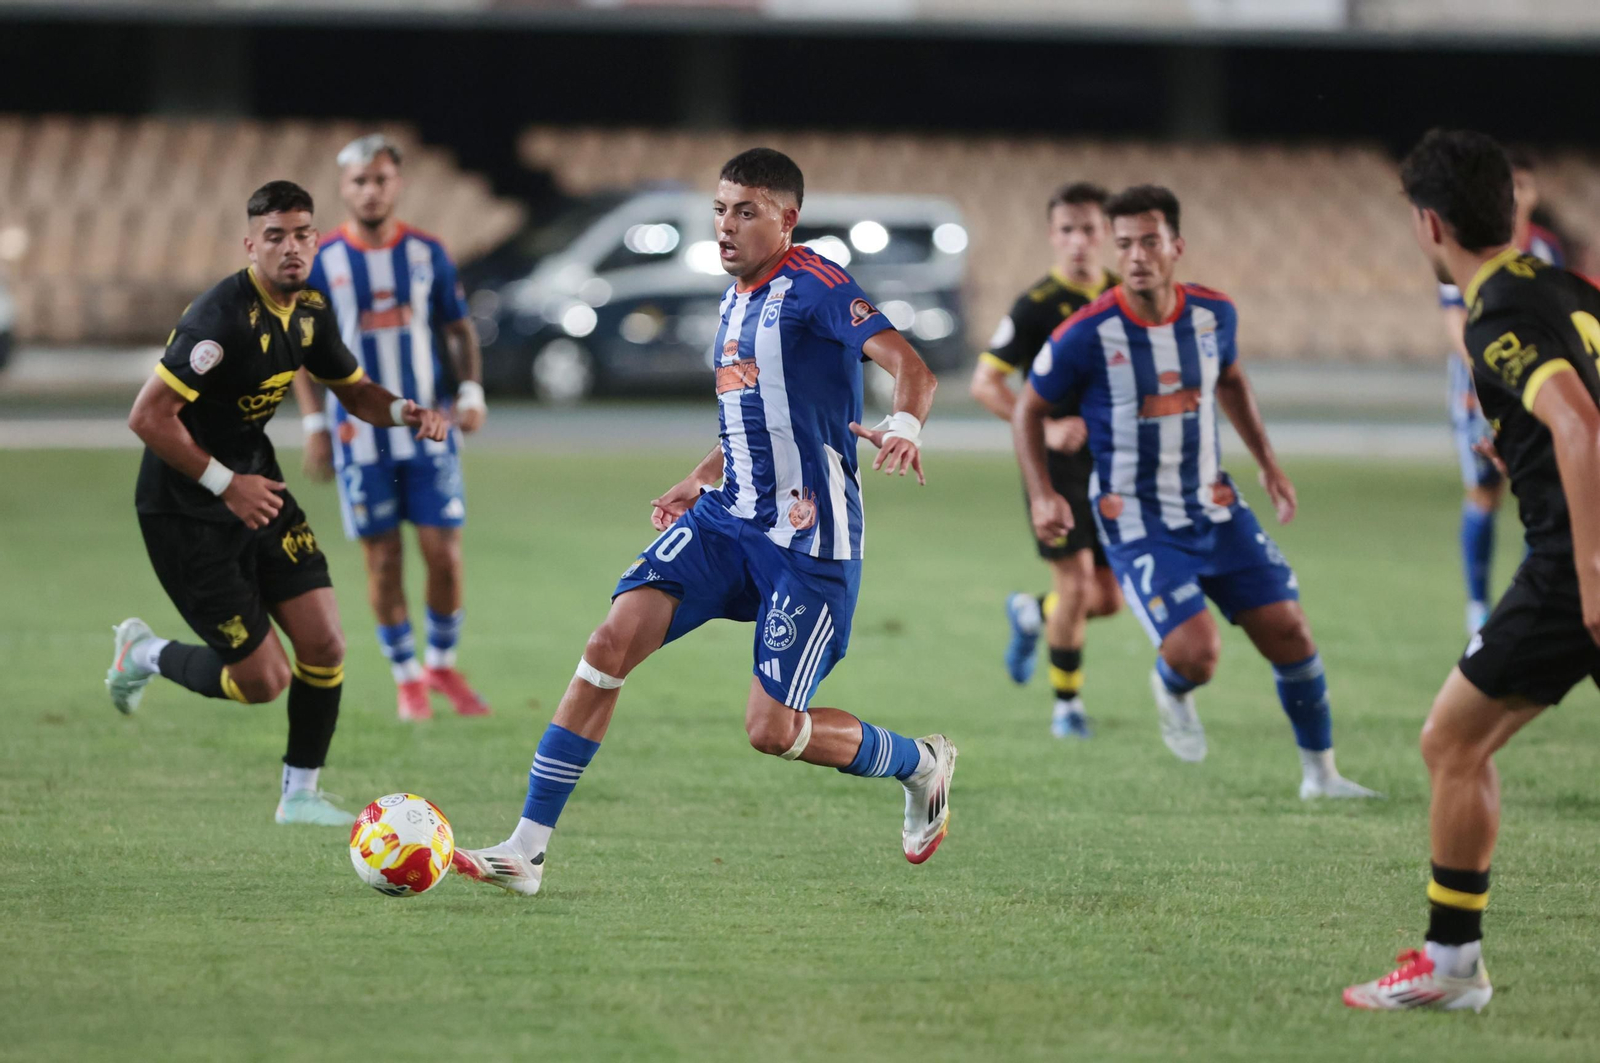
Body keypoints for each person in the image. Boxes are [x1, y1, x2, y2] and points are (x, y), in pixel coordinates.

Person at [450, 148, 955, 896]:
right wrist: (700, 476)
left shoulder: (817, 287)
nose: (726, 226)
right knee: (608, 643)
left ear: (788, 219)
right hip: (726, 520)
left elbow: (913, 367)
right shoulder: (732, 299)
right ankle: (527, 850)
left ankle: (920, 763)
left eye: (746, 212)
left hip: (808, 540)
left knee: (772, 730)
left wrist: (905, 426)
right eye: (720, 210)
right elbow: (756, 415)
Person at [1012, 184, 1378, 799]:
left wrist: (1268, 463)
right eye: (1125, 244)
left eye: (1149, 241)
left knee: (1290, 631)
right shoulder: (1086, 332)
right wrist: (1044, 493)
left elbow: (1231, 379)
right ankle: (1171, 686)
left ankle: (1322, 777)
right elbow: (1028, 409)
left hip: (1214, 504)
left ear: (1176, 246)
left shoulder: (1214, 314)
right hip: (1136, 516)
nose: (1136, 256)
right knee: (1196, 654)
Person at [1345, 130, 1600, 1012]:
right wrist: (1518, 439)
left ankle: (1452, 964)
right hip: (1572, 555)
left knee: (1452, 741)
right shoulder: (1568, 286)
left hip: (1572, 567)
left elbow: (1581, 425)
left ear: (1430, 224)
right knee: (1457, 740)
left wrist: (1593, 570)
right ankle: (1451, 960)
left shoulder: (1495, 313)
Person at [105, 180, 449, 825]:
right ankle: (144, 654)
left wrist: (406, 411)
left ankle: (300, 796)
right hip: (187, 511)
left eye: (302, 235)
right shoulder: (219, 319)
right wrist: (224, 484)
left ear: (315, 240)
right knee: (263, 682)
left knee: (325, 643)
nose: (291, 248)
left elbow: (354, 390)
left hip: (259, 489)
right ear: (250, 245)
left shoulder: (311, 307)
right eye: (275, 237)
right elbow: (147, 417)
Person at [292, 134, 489, 722]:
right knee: (382, 560)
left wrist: (470, 392)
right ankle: (407, 678)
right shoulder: (323, 261)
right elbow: (303, 349)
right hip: (358, 436)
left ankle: (442, 665)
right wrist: (314, 424)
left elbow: (458, 328)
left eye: (380, 179)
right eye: (360, 181)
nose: (371, 191)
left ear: (397, 184)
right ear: (343, 188)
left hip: (430, 427)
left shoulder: (428, 252)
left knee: (443, 554)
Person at [969, 182, 1122, 738]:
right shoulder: (1036, 305)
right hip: (1056, 467)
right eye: (1067, 230)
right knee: (1077, 587)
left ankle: (1032, 612)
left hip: (1114, 465)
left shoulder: (1124, 296)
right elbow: (986, 383)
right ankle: (1067, 706)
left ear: (1105, 234)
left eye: (1088, 229)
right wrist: (1047, 426)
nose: (1078, 241)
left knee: (1106, 600)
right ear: (1052, 236)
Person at [1439, 150, 1564, 635]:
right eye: (1508, 186)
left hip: (1534, 386)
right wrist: (1489, 370)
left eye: (1523, 186)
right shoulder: (1470, 246)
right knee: (1483, 490)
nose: (1516, 196)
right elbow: (1455, 320)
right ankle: (1477, 605)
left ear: (1535, 194)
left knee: (1539, 491)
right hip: (1478, 387)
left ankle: (1532, 600)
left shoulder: (1546, 250)